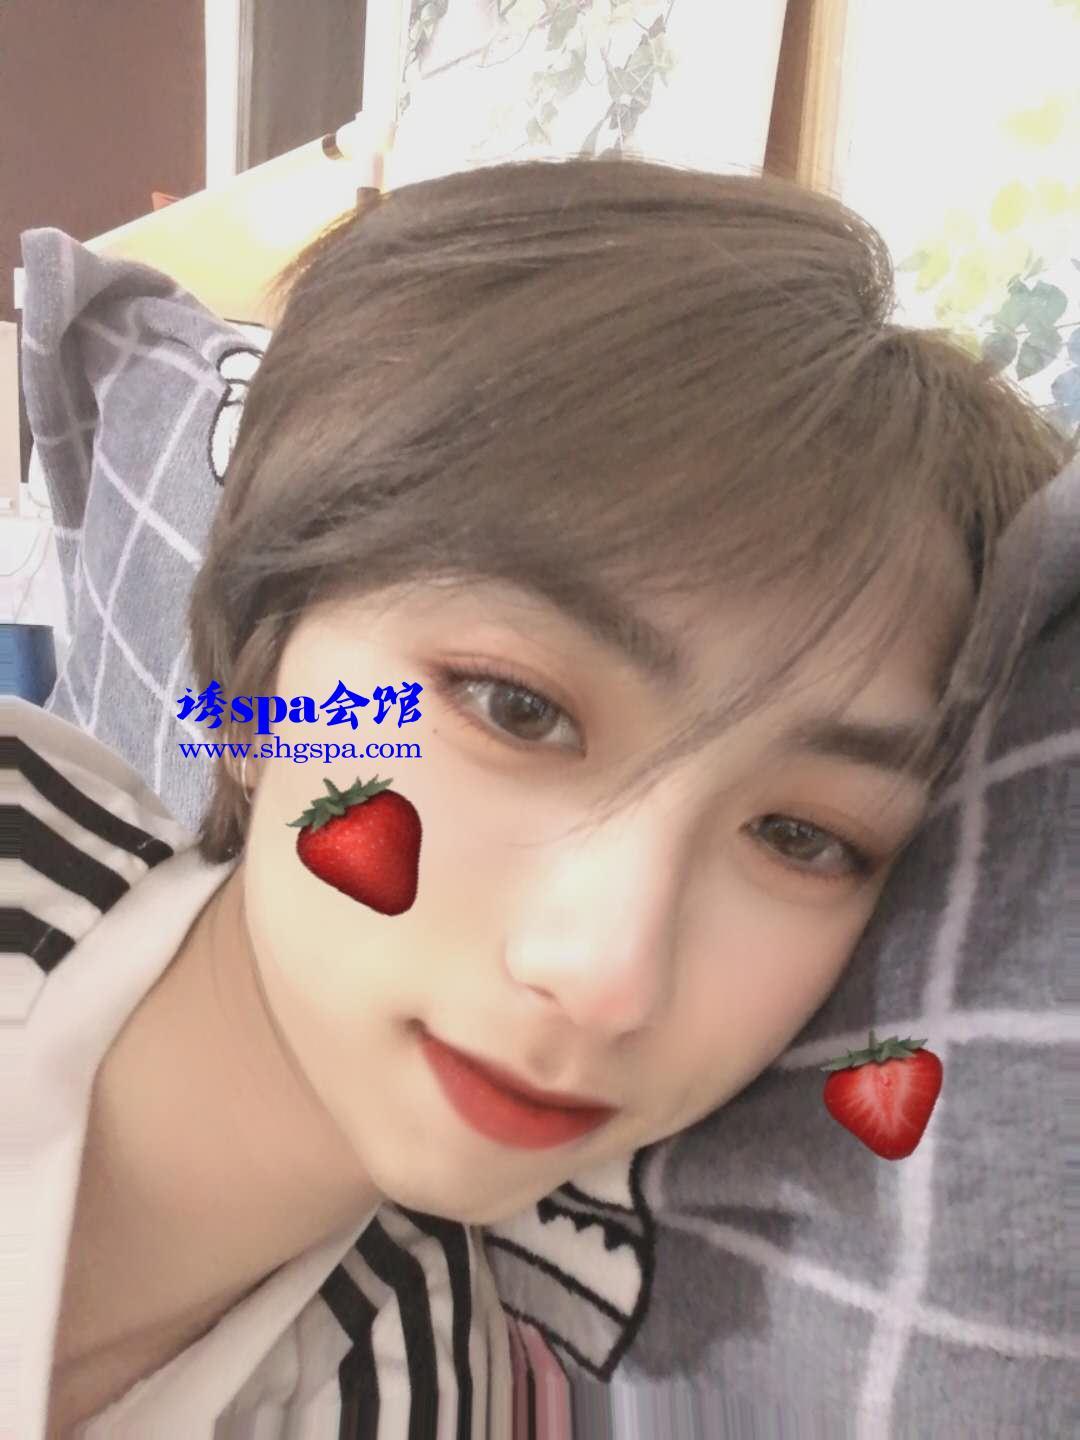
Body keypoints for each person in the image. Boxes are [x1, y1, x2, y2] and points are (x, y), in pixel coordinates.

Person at [8, 155, 1071, 1437]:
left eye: (801, 837)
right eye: (514, 707)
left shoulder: (425, 1396)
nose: (608, 976)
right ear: (256, 674)